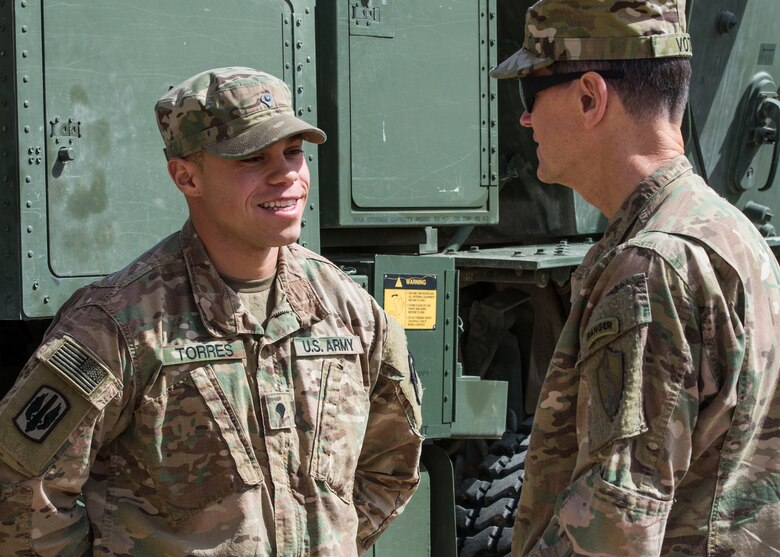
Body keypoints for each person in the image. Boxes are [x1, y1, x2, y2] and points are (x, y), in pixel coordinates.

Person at [0, 67, 423, 556]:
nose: (286, 173)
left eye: (293, 152)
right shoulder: (117, 325)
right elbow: (24, 494)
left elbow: (391, 464)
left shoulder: (350, 311)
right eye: (252, 157)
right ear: (186, 176)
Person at [491, 1, 780, 555]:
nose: (525, 118)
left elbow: (616, 528)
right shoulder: (726, 231)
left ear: (589, 97)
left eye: (530, 93)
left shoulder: (652, 267)